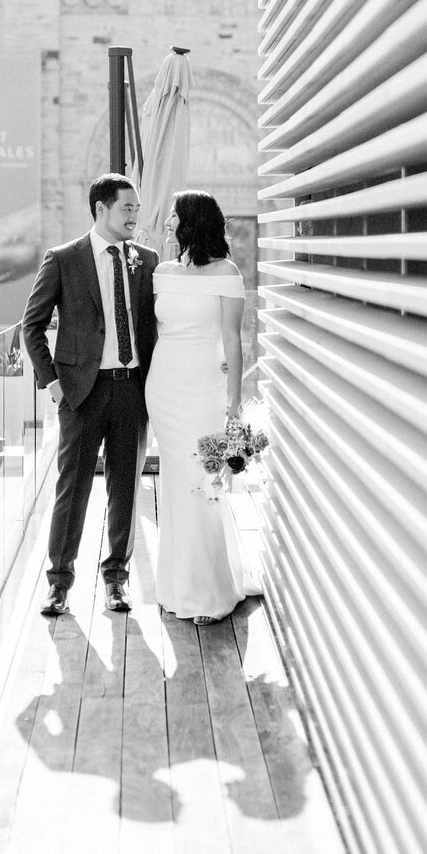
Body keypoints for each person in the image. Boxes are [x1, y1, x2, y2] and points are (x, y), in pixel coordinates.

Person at [22, 173, 159, 616]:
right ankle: (59, 583)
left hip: (133, 392)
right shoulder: (63, 259)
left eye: (136, 209)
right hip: (82, 394)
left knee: (126, 489)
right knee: (73, 489)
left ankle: (116, 579)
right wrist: (55, 385)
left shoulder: (148, 261)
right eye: (127, 209)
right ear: (101, 209)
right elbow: (33, 325)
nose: (134, 216)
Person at [145, 190, 247, 624]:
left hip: (205, 388)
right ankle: (176, 586)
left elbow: (233, 340)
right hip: (164, 387)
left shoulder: (228, 273)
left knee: (202, 483)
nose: (166, 221)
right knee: (175, 486)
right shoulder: (161, 272)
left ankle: (209, 593)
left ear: (191, 223)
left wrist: (235, 403)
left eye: (173, 215)